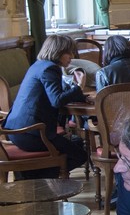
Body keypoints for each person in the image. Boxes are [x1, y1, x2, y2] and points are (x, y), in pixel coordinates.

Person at [3, 34, 88, 178]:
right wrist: (79, 87)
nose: (72, 57)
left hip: (16, 131)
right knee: (80, 154)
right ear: (59, 52)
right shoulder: (50, 69)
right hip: (31, 133)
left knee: (76, 143)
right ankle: (35, 179)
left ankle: (30, 176)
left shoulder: (38, 65)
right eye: (70, 52)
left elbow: (54, 95)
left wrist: (74, 89)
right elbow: (57, 100)